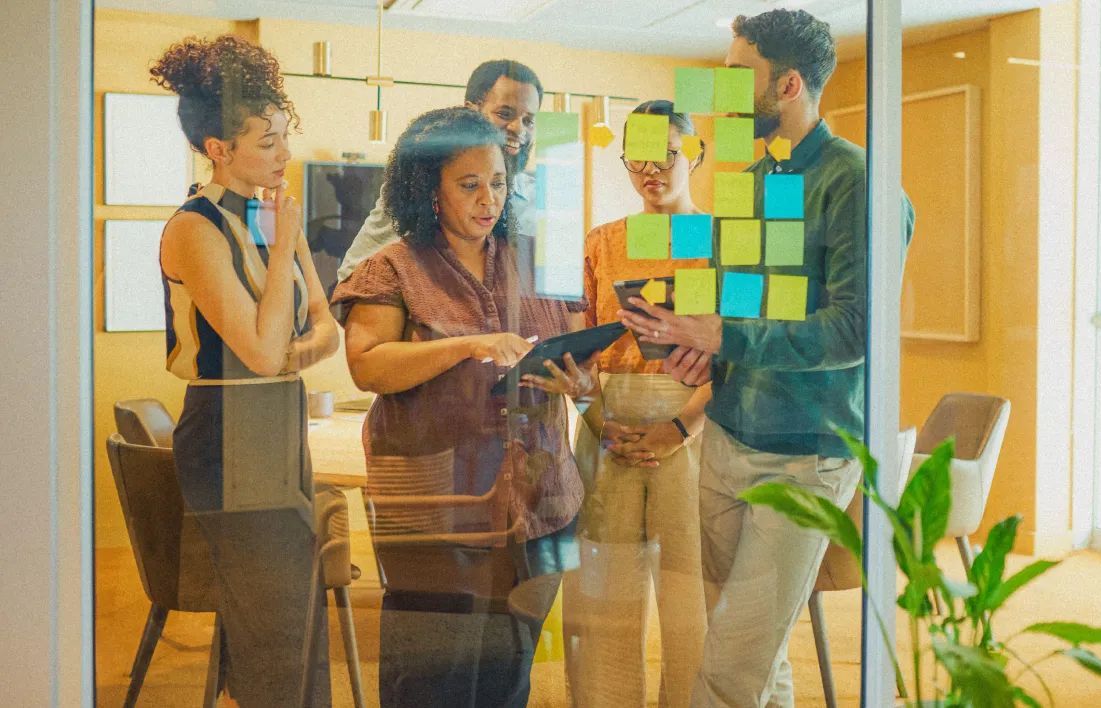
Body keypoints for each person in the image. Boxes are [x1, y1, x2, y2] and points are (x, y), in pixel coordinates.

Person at [618, 10, 916, 708]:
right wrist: (700, 356)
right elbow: (736, 313)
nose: (722, 90)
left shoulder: (861, 184)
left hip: (808, 456)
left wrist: (727, 339)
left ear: (785, 85)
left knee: (727, 667)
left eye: (735, 75)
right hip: (726, 441)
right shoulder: (747, 182)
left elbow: (853, 331)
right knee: (756, 652)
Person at [331, 107, 591, 708]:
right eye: (469, 184)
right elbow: (368, 364)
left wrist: (581, 382)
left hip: (541, 502)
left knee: (510, 674)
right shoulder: (392, 266)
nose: (488, 199)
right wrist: (468, 345)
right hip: (436, 505)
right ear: (430, 191)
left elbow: (583, 353)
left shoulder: (537, 258)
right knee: (432, 679)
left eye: (497, 181)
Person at [151, 34, 341, 707]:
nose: (284, 156)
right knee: (276, 615)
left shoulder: (265, 219)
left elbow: (328, 330)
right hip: (227, 432)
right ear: (218, 150)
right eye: (267, 143)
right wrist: (289, 247)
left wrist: (288, 351)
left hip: (277, 420)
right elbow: (265, 354)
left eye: (285, 138)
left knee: (294, 605)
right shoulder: (193, 229)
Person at [554, 100, 711, 708]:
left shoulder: (719, 241)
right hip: (607, 421)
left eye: (667, 154)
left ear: (692, 154)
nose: (652, 170)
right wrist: (598, 417)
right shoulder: (602, 242)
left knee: (691, 592)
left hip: (693, 422)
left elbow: (739, 356)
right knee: (601, 590)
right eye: (638, 158)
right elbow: (582, 345)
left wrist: (679, 427)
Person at [336, 59, 544, 285]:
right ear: (471, 111)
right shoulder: (421, 186)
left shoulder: (543, 200)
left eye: (528, 120)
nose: (518, 129)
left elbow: (563, 301)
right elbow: (354, 276)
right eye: (504, 114)